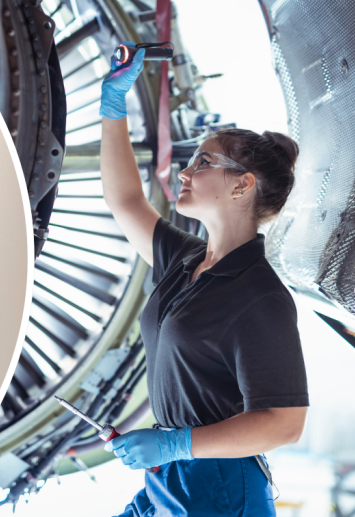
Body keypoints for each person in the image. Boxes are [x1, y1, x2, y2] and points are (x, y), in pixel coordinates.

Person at [98, 49, 308, 516]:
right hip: (172, 478)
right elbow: (125, 200)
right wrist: (113, 105)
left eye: (204, 162)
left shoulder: (260, 294)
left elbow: (285, 424)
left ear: (242, 185)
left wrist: (176, 445)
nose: (185, 172)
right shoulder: (185, 259)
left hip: (218, 484)